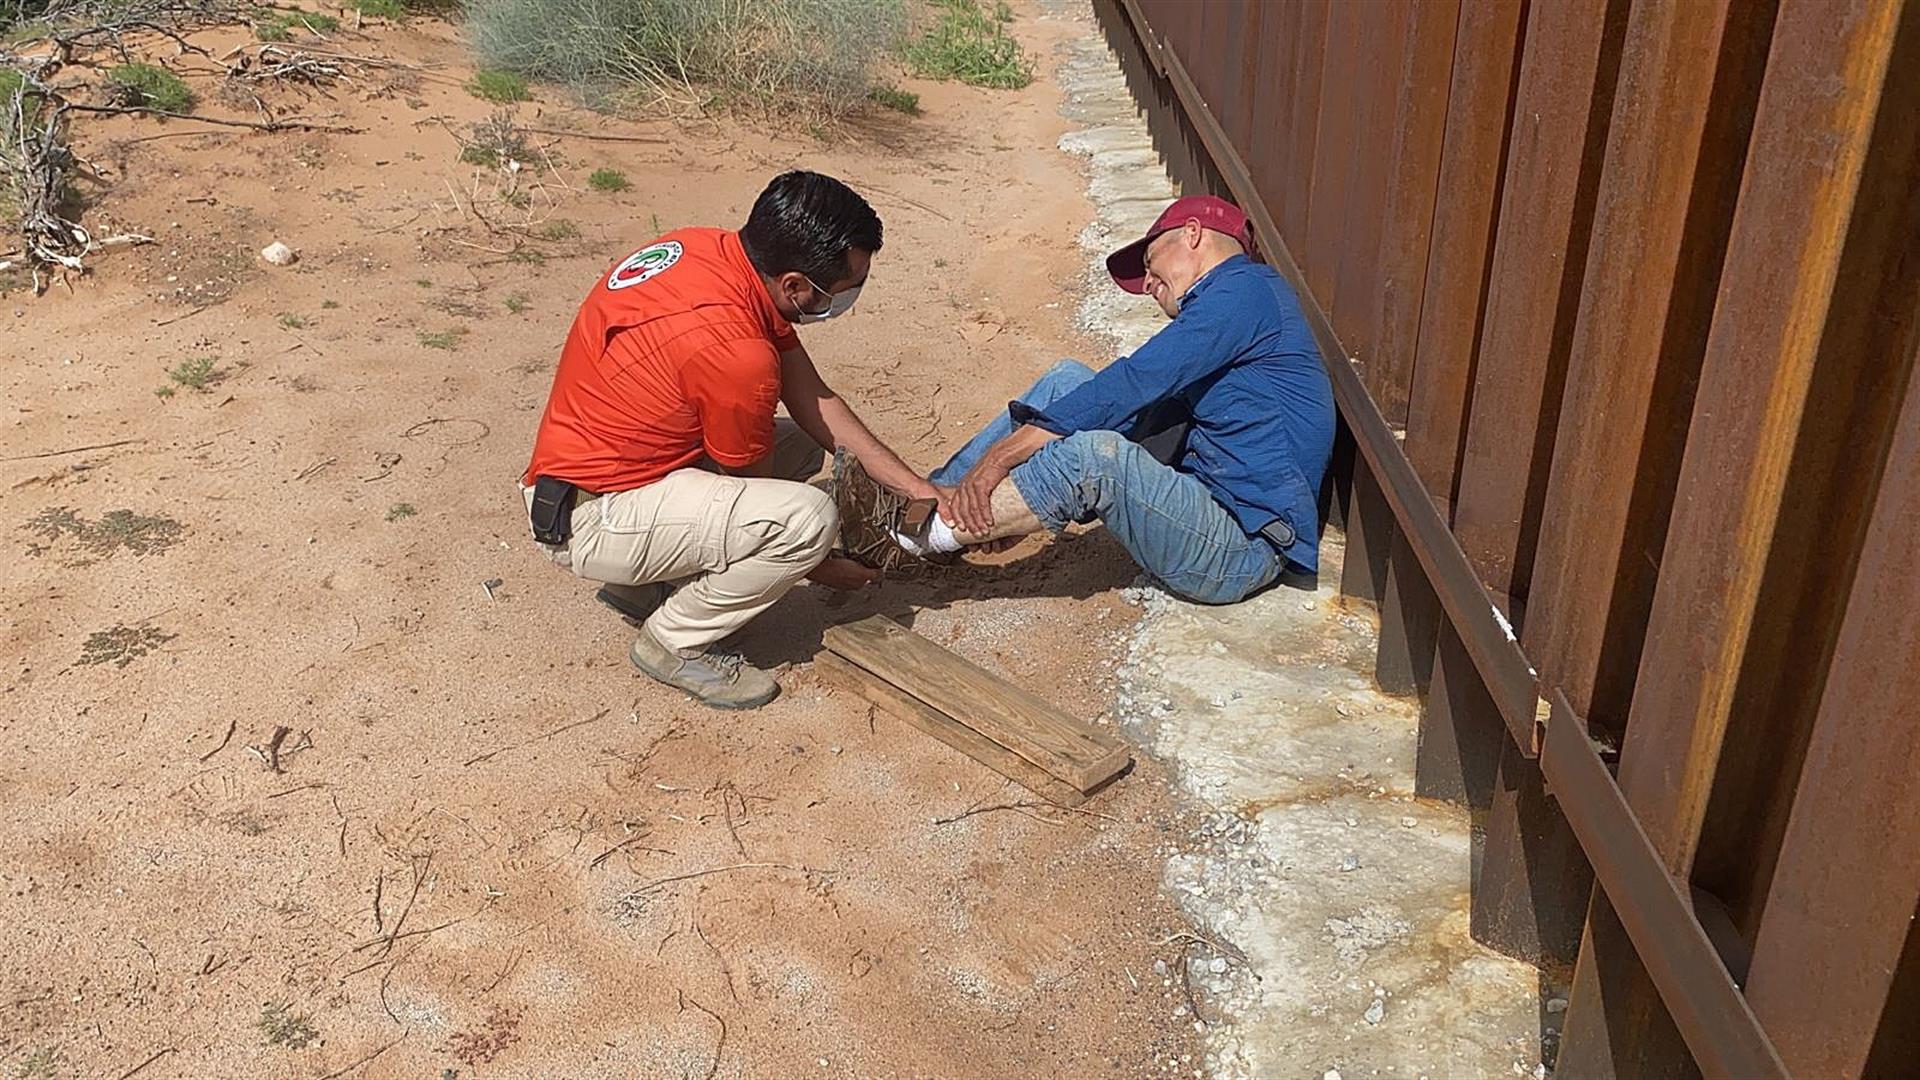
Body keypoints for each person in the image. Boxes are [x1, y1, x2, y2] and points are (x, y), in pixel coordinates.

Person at [520, 171, 936, 710]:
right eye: (846, 287)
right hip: (589, 520)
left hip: (583, 480)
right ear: (794, 286)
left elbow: (812, 398)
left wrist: (916, 486)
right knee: (804, 520)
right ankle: (674, 642)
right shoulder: (736, 352)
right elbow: (754, 492)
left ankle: (640, 586)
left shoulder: (705, 252)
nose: (851, 295)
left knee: (801, 446)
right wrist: (826, 568)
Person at [845, 194, 1334, 602]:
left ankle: (917, 539)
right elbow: (1148, 420)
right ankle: (924, 500)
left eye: (1149, 261)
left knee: (1093, 455)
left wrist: (1004, 459)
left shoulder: (1245, 290)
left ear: (1192, 233)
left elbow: (1136, 381)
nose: (1146, 284)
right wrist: (1022, 497)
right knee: (1068, 381)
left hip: (1239, 548)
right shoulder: (1232, 306)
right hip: (1194, 504)